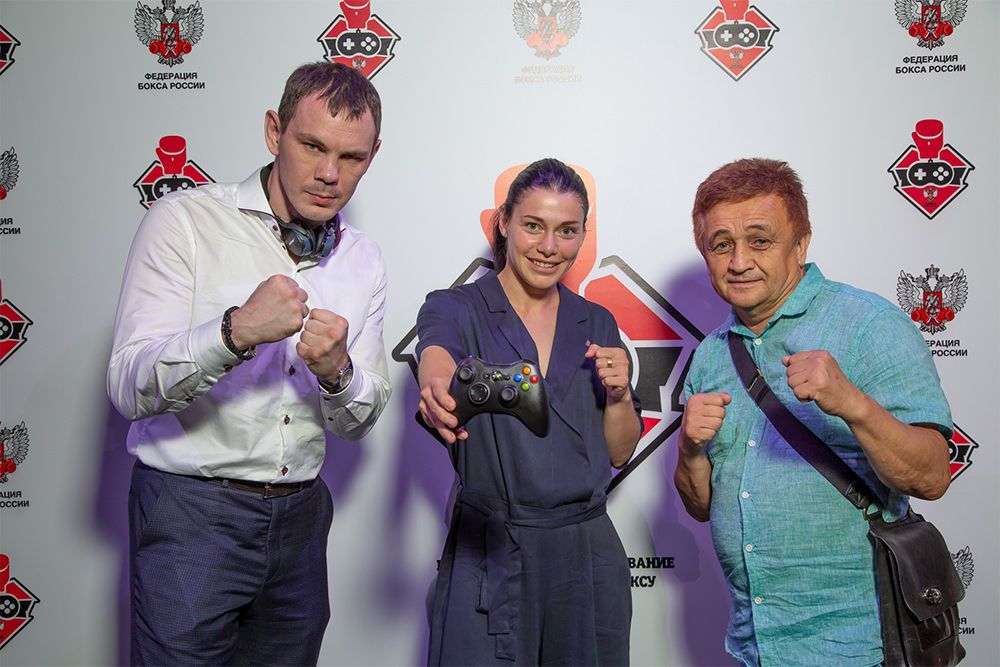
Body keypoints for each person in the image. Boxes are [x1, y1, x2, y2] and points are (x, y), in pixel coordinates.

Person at [107, 61, 391, 665]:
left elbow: (359, 421)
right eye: (312, 146)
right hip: (190, 513)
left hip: (302, 519)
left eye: (350, 157)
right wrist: (233, 333)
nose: (328, 173)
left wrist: (338, 372)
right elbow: (129, 388)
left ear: (372, 157)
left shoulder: (364, 259)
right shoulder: (184, 223)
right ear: (273, 132)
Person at [674, 158, 953, 666]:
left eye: (760, 240)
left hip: (858, 645)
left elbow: (932, 476)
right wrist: (690, 450)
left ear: (800, 245)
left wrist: (852, 404)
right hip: (754, 644)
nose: (739, 261)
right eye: (721, 245)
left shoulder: (869, 324)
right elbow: (700, 506)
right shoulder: (711, 355)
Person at [416, 158, 642, 665]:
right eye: (534, 226)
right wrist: (437, 385)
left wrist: (620, 396)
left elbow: (620, 452)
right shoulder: (456, 307)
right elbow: (437, 354)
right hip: (491, 549)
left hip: (586, 555)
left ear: (582, 235)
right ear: (504, 223)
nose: (549, 247)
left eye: (567, 231)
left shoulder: (597, 321)